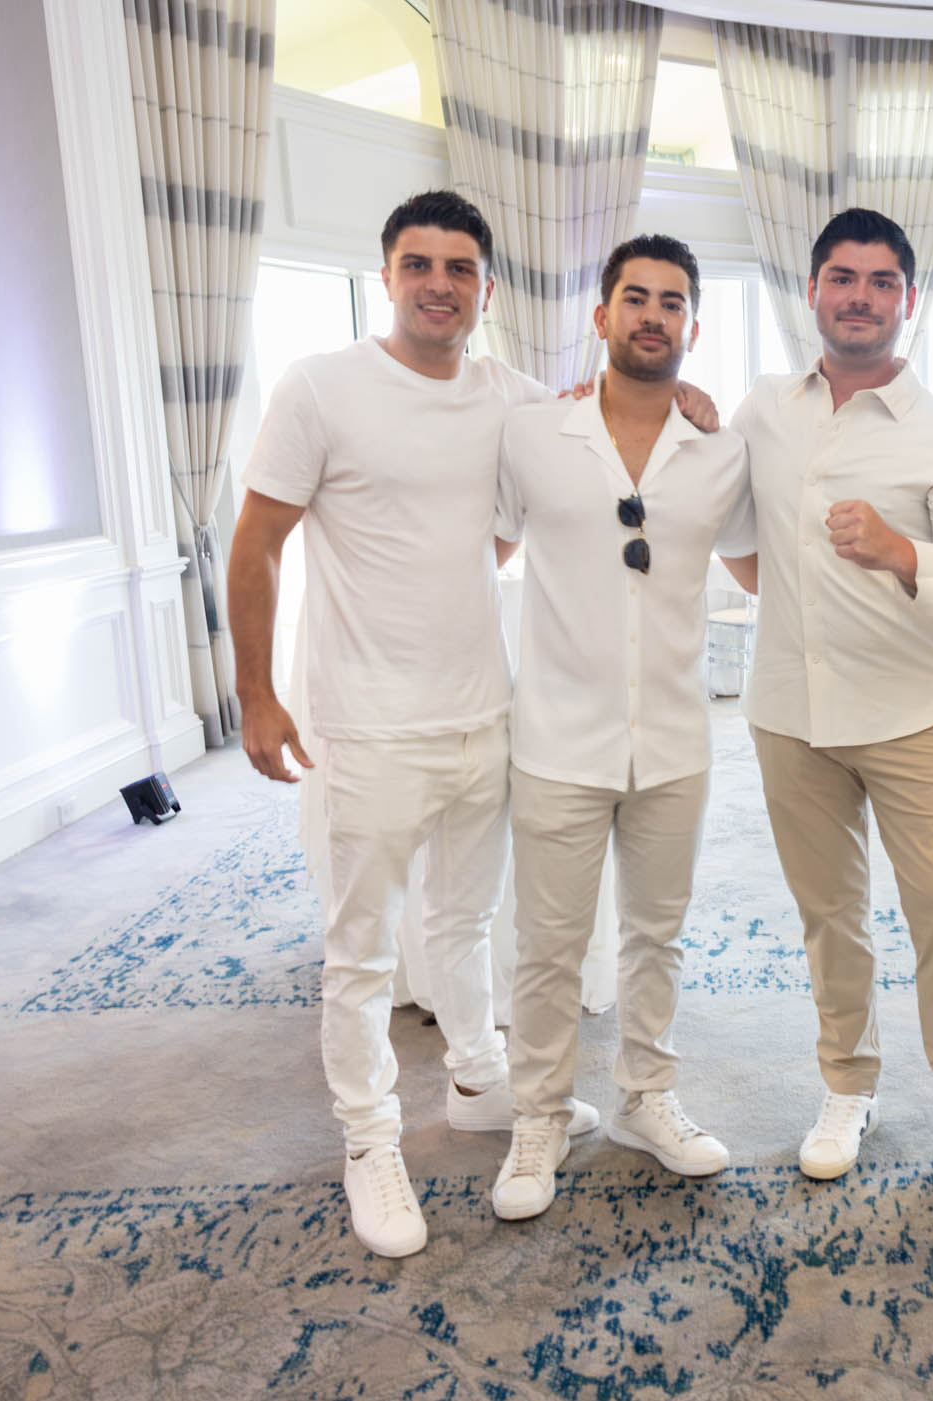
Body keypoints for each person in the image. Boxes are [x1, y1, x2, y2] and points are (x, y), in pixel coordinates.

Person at [228, 190, 596, 1258]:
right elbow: (256, 544)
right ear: (387, 274)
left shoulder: (511, 397)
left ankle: (480, 1081)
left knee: (467, 921)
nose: (441, 284)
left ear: (487, 287)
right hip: (372, 723)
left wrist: (694, 405)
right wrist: (257, 692)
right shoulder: (321, 389)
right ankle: (369, 1138)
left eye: (461, 268)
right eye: (419, 264)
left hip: (485, 712)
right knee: (363, 953)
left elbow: (598, 422)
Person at [730, 208, 933, 1233]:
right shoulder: (764, 408)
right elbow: (727, 524)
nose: (860, 296)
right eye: (842, 278)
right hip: (789, 716)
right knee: (829, 918)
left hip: (911, 715)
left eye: (882, 281)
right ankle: (847, 1087)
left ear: (907, 300)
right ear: (812, 292)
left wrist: (901, 551)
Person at [488, 234, 756, 1220]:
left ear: (691, 324)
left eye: (673, 301)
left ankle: (647, 1096)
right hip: (557, 736)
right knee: (549, 946)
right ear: (601, 317)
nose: (653, 315)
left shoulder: (721, 451)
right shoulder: (532, 434)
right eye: (635, 298)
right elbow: (487, 541)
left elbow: (761, 567)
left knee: (657, 937)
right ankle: (541, 1116)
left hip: (676, 740)